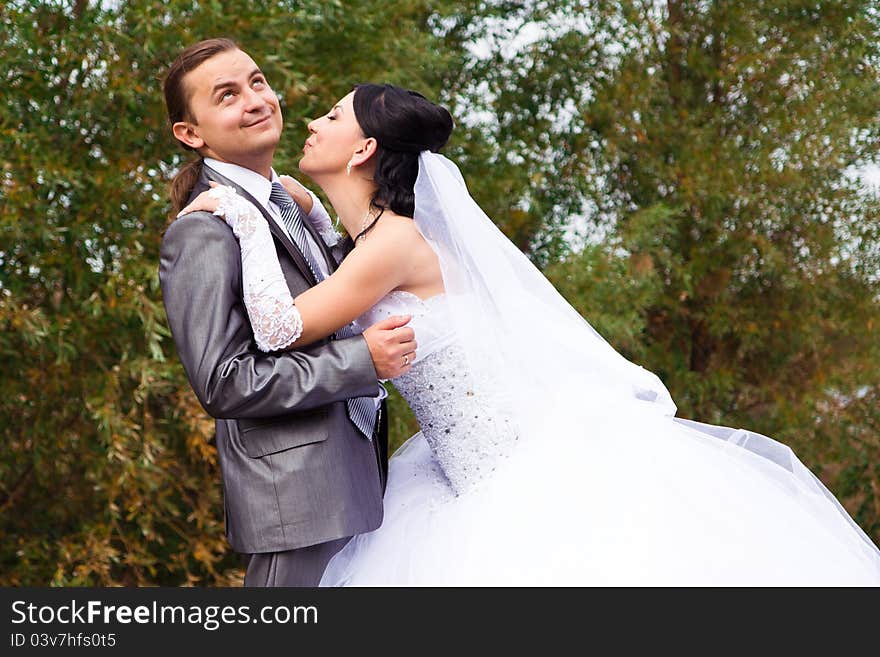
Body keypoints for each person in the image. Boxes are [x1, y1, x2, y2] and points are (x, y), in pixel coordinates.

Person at [180, 82, 880, 585]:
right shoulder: (373, 240)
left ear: (362, 147)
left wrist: (242, 214)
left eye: (330, 116)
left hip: (510, 477)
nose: (311, 121)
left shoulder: (391, 245)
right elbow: (334, 246)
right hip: (458, 473)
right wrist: (285, 198)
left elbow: (278, 326)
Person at [158, 40, 419, 587]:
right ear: (191, 133)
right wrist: (361, 361)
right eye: (227, 95)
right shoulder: (204, 229)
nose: (255, 100)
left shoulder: (293, 205)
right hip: (295, 502)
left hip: (358, 482)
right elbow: (225, 382)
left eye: (257, 82)